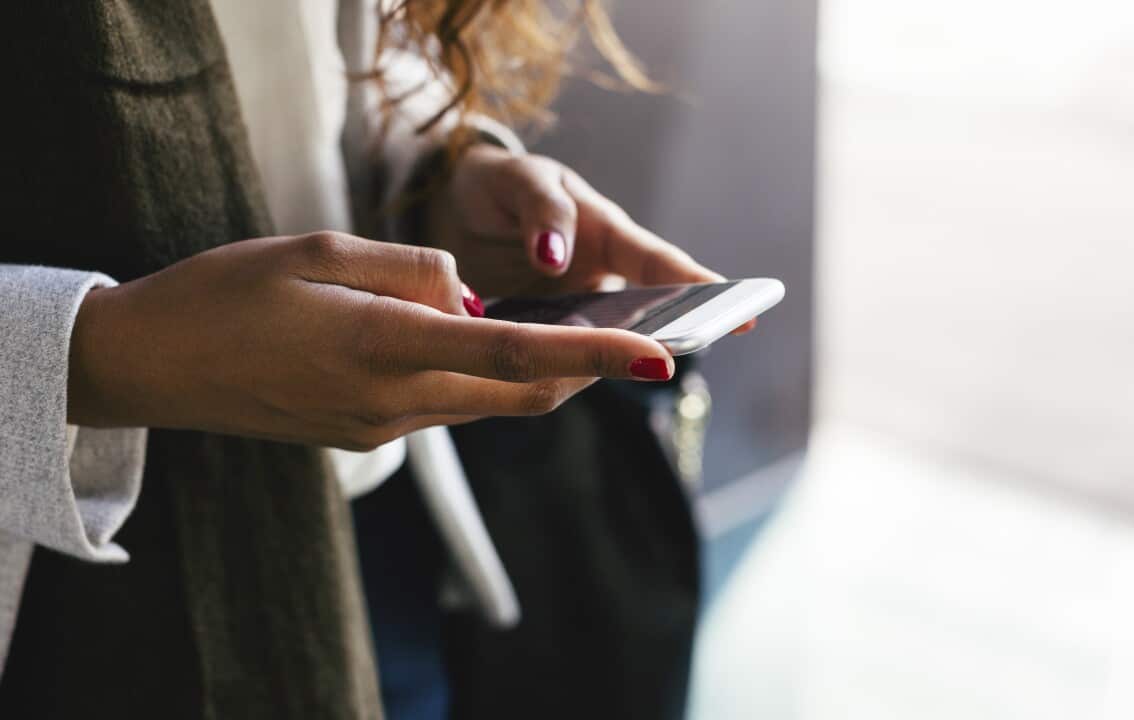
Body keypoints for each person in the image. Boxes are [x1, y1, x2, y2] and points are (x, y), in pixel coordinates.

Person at [0, 0, 748, 717]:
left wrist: (432, 182)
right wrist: (102, 357)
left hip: (372, 520)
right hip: (61, 586)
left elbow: (308, 57)